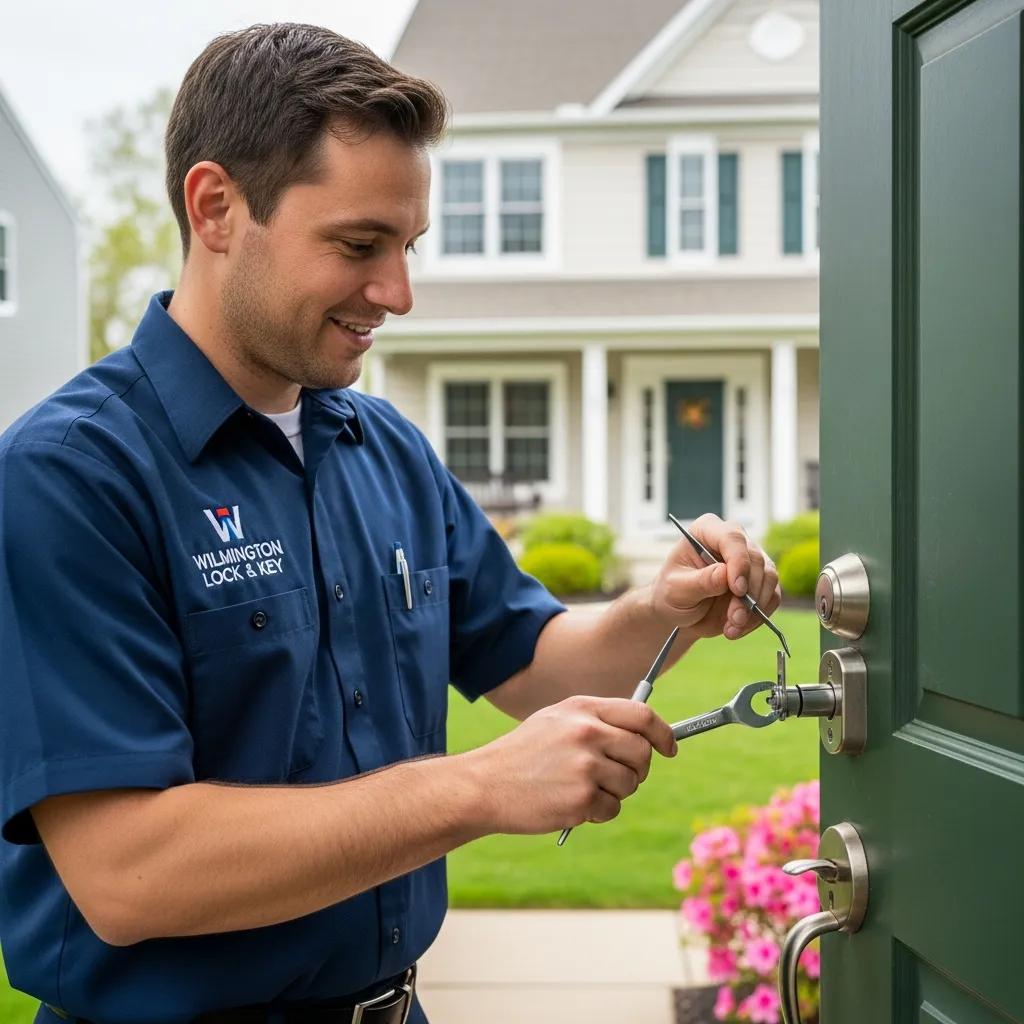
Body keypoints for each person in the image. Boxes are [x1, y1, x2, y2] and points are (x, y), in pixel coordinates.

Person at [0, 23, 781, 1024]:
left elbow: (533, 656)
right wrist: (475, 788)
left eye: (406, 248)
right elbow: (128, 873)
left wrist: (657, 611)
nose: (397, 294)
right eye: (358, 245)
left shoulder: (384, 448)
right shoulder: (73, 475)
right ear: (216, 208)